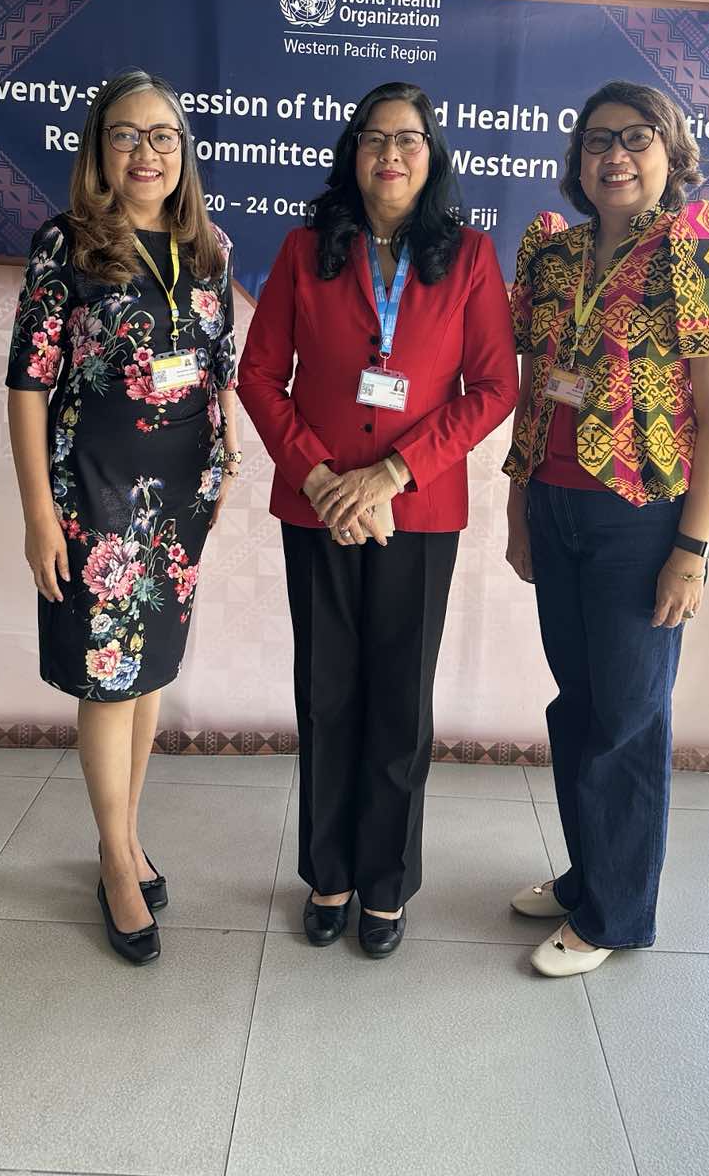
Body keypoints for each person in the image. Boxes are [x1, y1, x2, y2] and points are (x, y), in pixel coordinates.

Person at [237, 82, 518, 959]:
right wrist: (324, 479)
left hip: (418, 511)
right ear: (350, 155)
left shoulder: (469, 257)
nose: (389, 154)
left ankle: (386, 883)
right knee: (326, 696)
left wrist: (393, 473)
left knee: (400, 702)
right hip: (318, 508)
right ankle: (329, 872)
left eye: (408, 139)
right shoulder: (302, 250)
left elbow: (495, 387)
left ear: (432, 156)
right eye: (372, 139)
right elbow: (258, 377)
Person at [503, 80, 709, 977]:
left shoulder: (701, 246)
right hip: (556, 503)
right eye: (599, 140)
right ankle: (590, 873)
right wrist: (517, 503)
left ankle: (615, 914)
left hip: (642, 520)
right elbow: (536, 384)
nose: (616, 155)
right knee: (578, 705)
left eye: (638, 138)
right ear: (577, 160)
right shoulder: (555, 252)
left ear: (671, 151)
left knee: (627, 718)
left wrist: (692, 549)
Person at [6, 69, 239, 965]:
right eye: (127, 136)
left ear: (184, 152)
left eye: (164, 136)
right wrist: (37, 512)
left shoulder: (210, 246)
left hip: (181, 496)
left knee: (147, 675)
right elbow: (28, 388)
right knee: (108, 678)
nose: (147, 153)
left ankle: (129, 832)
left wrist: (221, 457)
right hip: (93, 493)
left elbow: (215, 366)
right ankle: (111, 858)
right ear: (99, 152)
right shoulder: (65, 245)